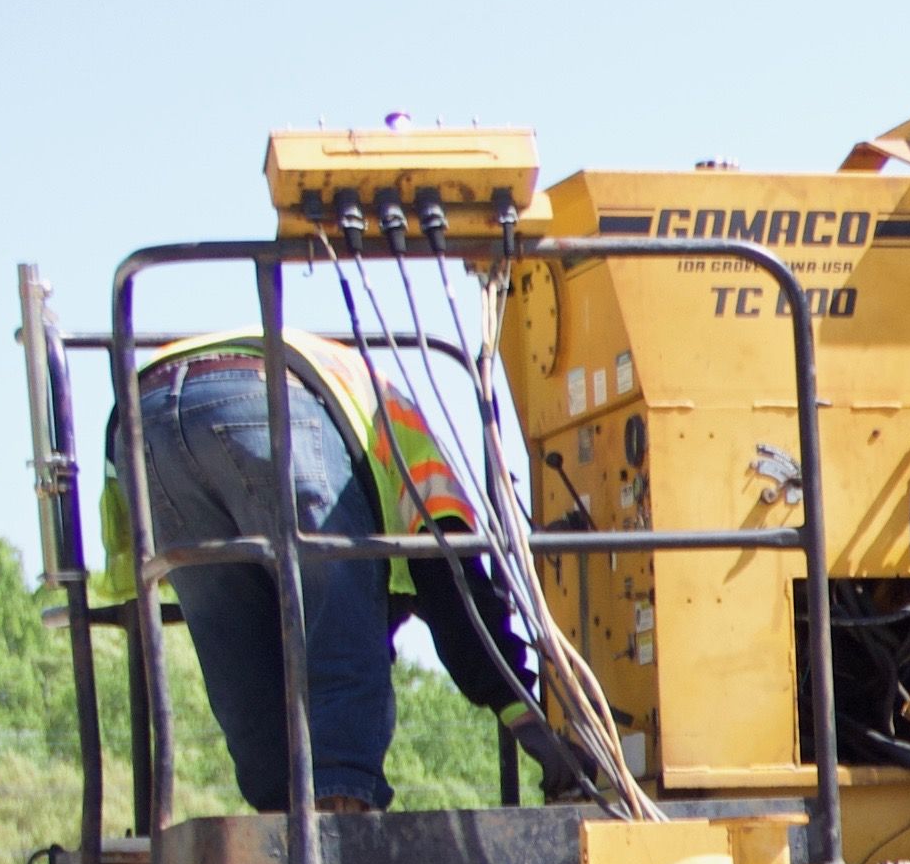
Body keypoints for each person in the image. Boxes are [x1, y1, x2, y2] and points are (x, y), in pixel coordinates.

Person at [128, 332, 578, 810]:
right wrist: (524, 717)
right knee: (344, 625)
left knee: (237, 649)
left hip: (141, 416)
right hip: (270, 395)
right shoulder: (407, 437)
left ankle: (282, 817)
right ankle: (339, 813)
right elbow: (453, 581)